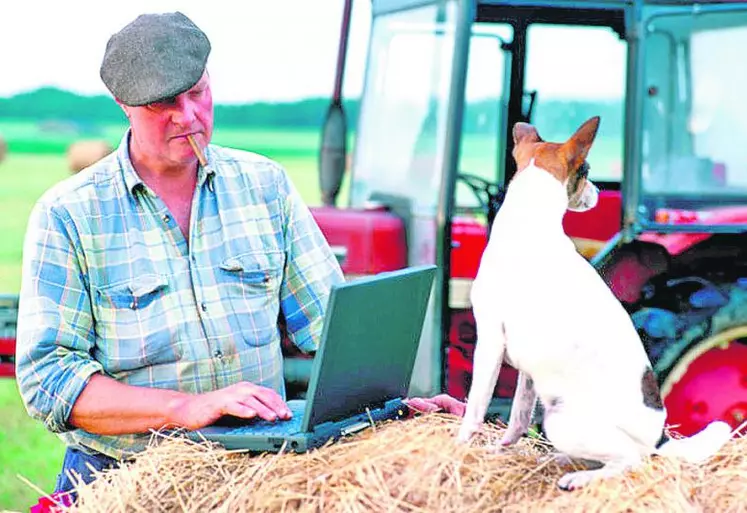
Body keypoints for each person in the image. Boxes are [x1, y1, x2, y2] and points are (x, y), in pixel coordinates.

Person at [15, 11, 465, 498]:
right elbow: (49, 380)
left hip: (253, 477)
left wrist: (395, 406)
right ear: (124, 104)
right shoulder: (68, 214)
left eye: (198, 93)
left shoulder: (265, 186)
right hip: (119, 479)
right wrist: (183, 408)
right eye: (164, 103)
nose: (188, 116)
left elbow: (332, 329)